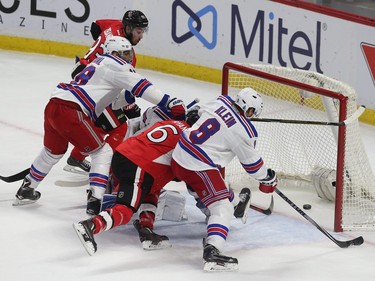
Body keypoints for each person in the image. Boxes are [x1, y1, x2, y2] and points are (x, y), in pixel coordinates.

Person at [14, 36, 186, 217]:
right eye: (125, 53)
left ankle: (27, 188)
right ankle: (95, 201)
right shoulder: (117, 64)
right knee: (102, 152)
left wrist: (128, 99)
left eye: (129, 52)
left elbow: (110, 98)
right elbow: (143, 87)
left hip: (55, 104)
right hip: (72, 110)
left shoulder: (99, 62)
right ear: (114, 53)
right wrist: (170, 102)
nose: (128, 57)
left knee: (52, 151)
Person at [170, 88, 278, 271]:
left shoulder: (221, 101)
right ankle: (212, 251)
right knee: (221, 207)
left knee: (214, 185)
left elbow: (193, 113)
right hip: (198, 166)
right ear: (250, 110)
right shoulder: (245, 131)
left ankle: (237, 205)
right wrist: (268, 177)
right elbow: (253, 167)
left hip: (179, 155)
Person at [73, 113, 199, 256]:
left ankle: (146, 230)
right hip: (138, 164)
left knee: (152, 188)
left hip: (123, 154)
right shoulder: (190, 138)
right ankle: (90, 226)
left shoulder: (170, 123)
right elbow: (182, 169)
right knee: (126, 209)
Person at [66, 10, 148, 173]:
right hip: (91, 88)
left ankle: (77, 157)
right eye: (139, 32)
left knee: (103, 121)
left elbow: (96, 25)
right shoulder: (124, 51)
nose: (141, 36)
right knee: (118, 125)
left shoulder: (115, 25)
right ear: (129, 28)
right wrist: (129, 108)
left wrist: (97, 48)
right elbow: (123, 85)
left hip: (81, 73)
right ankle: (103, 167)